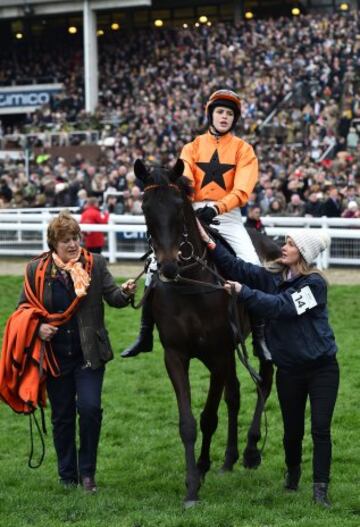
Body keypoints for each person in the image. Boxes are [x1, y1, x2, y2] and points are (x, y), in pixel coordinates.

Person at [122, 89, 270, 361]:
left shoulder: (243, 150)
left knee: (253, 266)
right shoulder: (192, 147)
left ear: (234, 119)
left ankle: (260, 337)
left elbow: (243, 189)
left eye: (229, 114)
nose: (224, 117)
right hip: (192, 213)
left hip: (228, 216)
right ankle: (145, 334)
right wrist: (193, 207)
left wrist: (217, 207)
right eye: (220, 112)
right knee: (156, 264)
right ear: (211, 114)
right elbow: (185, 179)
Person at [198, 222, 339, 507]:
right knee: (292, 430)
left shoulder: (315, 284)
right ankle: (294, 476)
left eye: (289, 243)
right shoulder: (271, 277)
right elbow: (238, 267)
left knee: (320, 429)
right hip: (289, 370)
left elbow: (283, 308)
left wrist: (242, 292)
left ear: (302, 252)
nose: (282, 246)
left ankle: (320, 489)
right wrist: (209, 242)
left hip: (322, 369)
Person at [16, 211, 136, 491]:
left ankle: (87, 474)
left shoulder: (96, 264)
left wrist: (126, 292)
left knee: (90, 409)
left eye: (75, 238)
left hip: (89, 354)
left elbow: (114, 298)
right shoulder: (37, 270)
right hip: (55, 357)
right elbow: (23, 309)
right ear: (53, 244)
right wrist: (38, 329)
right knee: (62, 416)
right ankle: (67, 475)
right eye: (65, 240)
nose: (72, 244)